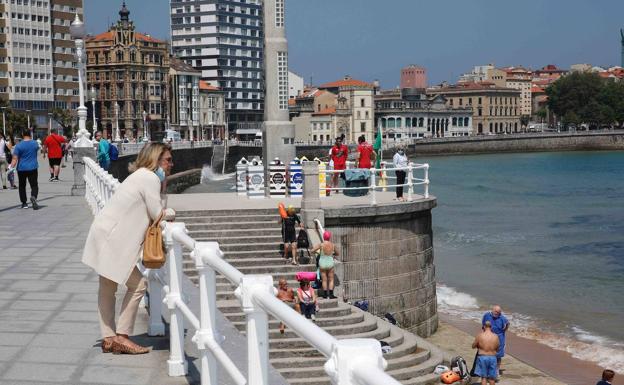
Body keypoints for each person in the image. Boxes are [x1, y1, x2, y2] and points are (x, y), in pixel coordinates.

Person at [82, 143, 175, 354]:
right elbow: (157, 212)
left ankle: (108, 337)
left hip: (104, 233)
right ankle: (122, 336)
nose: (171, 164)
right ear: (156, 160)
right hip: (114, 240)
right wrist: (171, 211)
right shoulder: (150, 178)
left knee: (107, 288)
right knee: (139, 285)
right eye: (168, 160)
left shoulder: (139, 175)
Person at [9, 129, 40, 209]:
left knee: (22, 186)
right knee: (34, 185)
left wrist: (11, 167)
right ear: (30, 134)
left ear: (22, 134)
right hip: (33, 167)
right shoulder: (35, 143)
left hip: (21, 168)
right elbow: (37, 149)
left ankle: (24, 203)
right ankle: (33, 196)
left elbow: (15, 158)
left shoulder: (19, 145)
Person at [310, 230, 339, 299]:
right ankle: (331, 294)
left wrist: (318, 253)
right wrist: (332, 254)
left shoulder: (321, 244)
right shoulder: (332, 245)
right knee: (331, 279)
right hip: (330, 262)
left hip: (322, 262)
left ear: (324, 237)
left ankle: (325, 294)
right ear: (329, 237)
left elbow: (312, 251)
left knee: (324, 279)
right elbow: (337, 253)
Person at [482, 305, 509, 375]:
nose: (497, 313)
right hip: (489, 337)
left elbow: (508, 323)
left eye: (499, 312)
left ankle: (497, 370)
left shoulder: (502, 318)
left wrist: (504, 330)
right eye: (496, 311)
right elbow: (483, 325)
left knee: (498, 356)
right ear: (492, 310)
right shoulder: (487, 315)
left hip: (499, 338)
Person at [472, 321, 500, 385]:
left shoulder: (480, 335)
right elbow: (497, 349)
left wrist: (479, 345)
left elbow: (473, 346)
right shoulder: (496, 336)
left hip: (482, 357)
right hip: (493, 358)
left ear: (484, 327)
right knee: (491, 378)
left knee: (484, 378)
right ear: (491, 327)